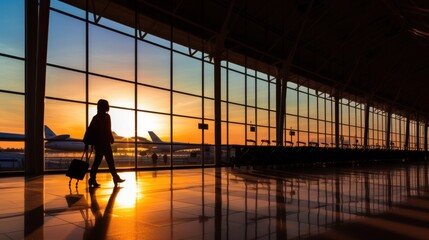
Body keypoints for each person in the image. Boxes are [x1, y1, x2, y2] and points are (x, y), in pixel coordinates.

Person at [88, 99, 125, 188]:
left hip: (98, 144)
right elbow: (108, 130)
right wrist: (111, 138)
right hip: (105, 143)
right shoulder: (106, 117)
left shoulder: (95, 117)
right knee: (110, 162)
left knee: (97, 162)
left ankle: (92, 179)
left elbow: (91, 131)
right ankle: (115, 178)